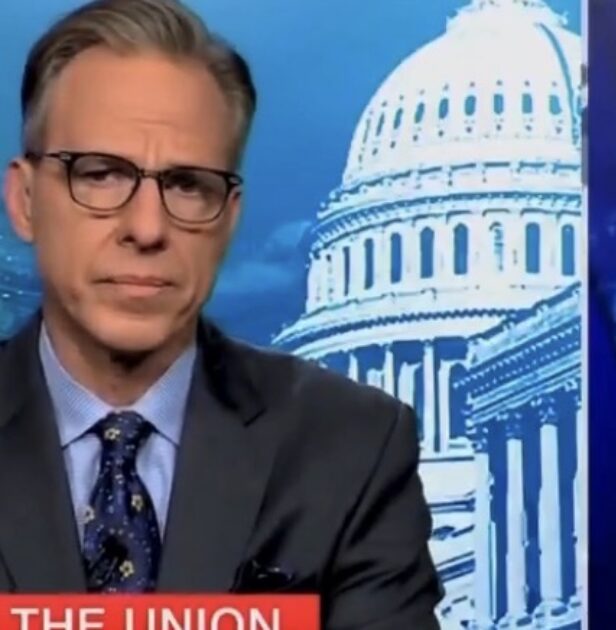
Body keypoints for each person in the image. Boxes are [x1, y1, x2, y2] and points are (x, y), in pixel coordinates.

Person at [0, 0, 441, 627]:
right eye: (99, 175)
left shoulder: (352, 450)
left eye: (187, 186)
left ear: (229, 219)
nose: (147, 228)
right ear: (23, 201)